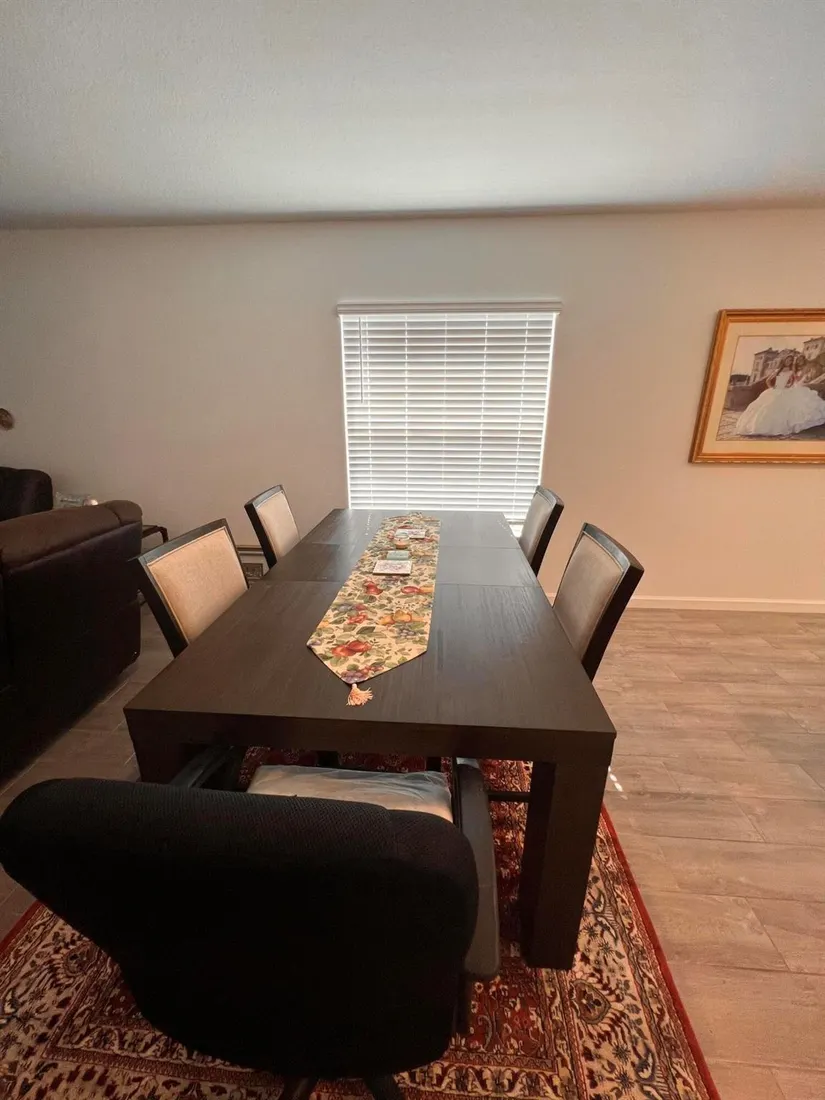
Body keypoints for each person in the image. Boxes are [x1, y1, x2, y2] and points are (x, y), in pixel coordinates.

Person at [736, 355, 825, 437]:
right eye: (788, 360)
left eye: (790, 360)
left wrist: (789, 385)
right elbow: (768, 380)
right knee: (766, 408)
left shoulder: (791, 371)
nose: (789, 362)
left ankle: (777, 426)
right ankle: (760, 426)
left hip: (783, 391)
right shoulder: (778, 370)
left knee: (782, 408)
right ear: (784, 360)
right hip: (775, 390)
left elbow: (793, 381)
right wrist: (772, 388)